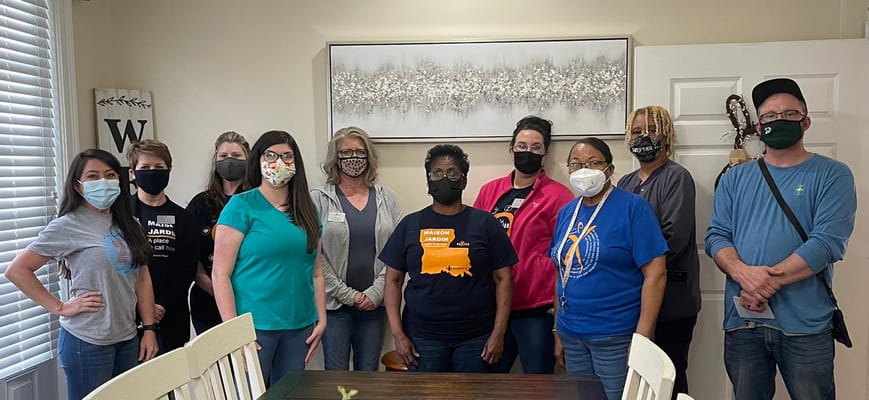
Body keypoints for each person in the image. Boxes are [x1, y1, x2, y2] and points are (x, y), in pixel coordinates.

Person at [706, 78, 857, 400]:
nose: (780, 120)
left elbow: (827, 242)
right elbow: (717, 236)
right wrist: (743, 275)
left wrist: (761, 283)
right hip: (744, 322)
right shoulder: (736, 178)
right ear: (759, 127)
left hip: (806, 325)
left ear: (806, 121)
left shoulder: (833, 174)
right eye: (771, 116)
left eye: (790, 114)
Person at [5, 149, 158, 400]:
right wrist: (60, 307)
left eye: (109, 175)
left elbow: (142, 279)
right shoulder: (67, 225)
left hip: (127, 338)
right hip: (86, 342)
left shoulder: (132, 224)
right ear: (77, 186)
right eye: (93, 176)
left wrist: (149, 329)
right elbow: (18, 270)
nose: (103, 182)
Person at [381, 144, 516, 373]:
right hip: (423, 339)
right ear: (428, 181)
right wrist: (398, 335)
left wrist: (498, 333)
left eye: (452, 173)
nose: (444, 178)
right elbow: (392, 281)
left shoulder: (486, 224)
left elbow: (505, 280)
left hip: (477, 339)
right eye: (437, 173)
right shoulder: (410, 225)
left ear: (463, 180)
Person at [550, 138, 667, 400]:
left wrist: (642, 338)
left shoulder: (633, 208)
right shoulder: (567, 212)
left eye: (594, 163)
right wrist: (558, 330)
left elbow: (656, 273)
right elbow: (561, 272)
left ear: (610, 169)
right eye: (576, 164)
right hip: (572, 333)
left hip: (615, 336)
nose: (584, 170)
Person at [212, 130, 327, 386]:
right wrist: (233, 333)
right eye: (271, 155)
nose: (280, 163)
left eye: (288, 157)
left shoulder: (307, 209)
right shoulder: (241, 206)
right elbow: (220, 274)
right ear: (258, 161)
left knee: (289, 393)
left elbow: (317, 271)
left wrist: (322, 317)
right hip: (255, 328)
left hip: (300, 325)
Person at [473, 116, 574, 374]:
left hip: (536, 310)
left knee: (537, 387)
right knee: (488, 383)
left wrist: (558, 311)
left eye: (535, 147)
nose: (527, 152)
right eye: (521, 146)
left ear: (545, 153)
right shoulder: (489, 191)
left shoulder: (559, 196)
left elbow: (566, 258)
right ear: (511, 149)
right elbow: (474, 244)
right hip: (492, 307)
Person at [616, 106, 700, 398]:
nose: (643, 137)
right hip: (633, 299)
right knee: (638, 379)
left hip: (672, 300)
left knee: (667, 376)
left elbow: (673, 238)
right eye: (637, 131)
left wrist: (624, 262)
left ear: (666, 136)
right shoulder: (626, 183)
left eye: (651, 131)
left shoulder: (677, 177)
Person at [311, 127, 401, 371]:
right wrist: (348, 295)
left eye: (359, 152)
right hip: (335, 306)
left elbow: (396, 252)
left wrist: (375, 293)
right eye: (346, 152)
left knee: (368, 374)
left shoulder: (387, 197)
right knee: (336, 376)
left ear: (369, 156)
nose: (353, 158)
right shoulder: (318, 198)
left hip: (374, 304)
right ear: (334, 158)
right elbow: (314, 256)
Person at [127, 139, 199, 352]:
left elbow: (187, 270)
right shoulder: (120, 214)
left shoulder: (184, 218)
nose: (152, 173)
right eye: (145, 168)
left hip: (170, 313)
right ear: (133, 173)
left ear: (169, 170)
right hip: (128, 314)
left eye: (159, 168)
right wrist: (142, 308)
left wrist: (159, 306)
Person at [186, 131, 250, 334]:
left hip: (250, 300)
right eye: (223, 156)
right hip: (207, 301)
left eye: (237, 156)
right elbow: (189, 254)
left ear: (248, 160)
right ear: (215, 161)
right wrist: (217, 288)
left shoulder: (258, 202)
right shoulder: (200, 204)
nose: (229, 161)